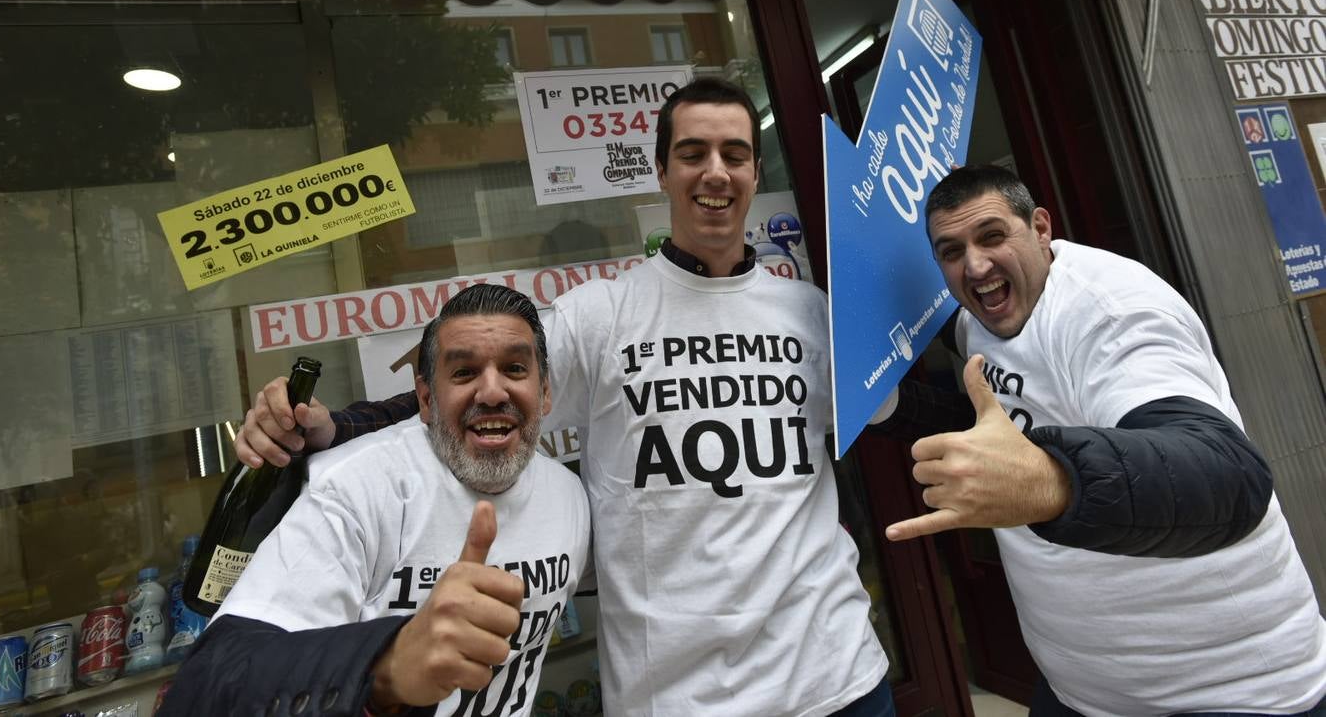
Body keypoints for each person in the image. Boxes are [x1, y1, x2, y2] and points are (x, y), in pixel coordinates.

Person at [234, 77, 903, 716]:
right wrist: (333, 427)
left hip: (836, 674)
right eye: (692, 153)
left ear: (756, 173)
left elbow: (889, 410)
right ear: (661, 171)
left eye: (735, 154)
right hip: (679, 695)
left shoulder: (816, 314)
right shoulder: (602, 314)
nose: (715, 172)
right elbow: (474, 392)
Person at [881, 164, 1326, 716]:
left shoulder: (1113, 314)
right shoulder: (980, 318)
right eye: (951, 252)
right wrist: (889, 407)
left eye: (992, 236)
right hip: (1080, 692)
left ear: (1040, 228)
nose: (975, 265)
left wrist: (1054, 482)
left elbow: (1229, 474)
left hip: (1230, 694)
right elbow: (1012, 421)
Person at [161, 284, 590, 716]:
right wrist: (384, 669)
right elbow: (216, 681)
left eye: (515, 368)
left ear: (546, 391)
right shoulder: (354, 489)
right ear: (425, 398)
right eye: (463, 373)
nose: (493, 392)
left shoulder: (569, 496)